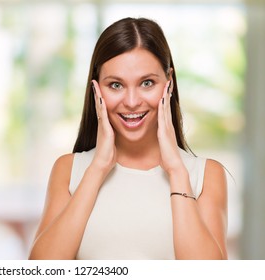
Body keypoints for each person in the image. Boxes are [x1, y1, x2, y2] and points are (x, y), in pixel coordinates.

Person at [28, 17, 228, 260]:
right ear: (96, 89)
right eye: (115, 85)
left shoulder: (205, 175)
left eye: (147, 83)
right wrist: (98, 168)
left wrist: (176, 171)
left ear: (169, 83)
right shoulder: (69, 170)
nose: (132, 102)